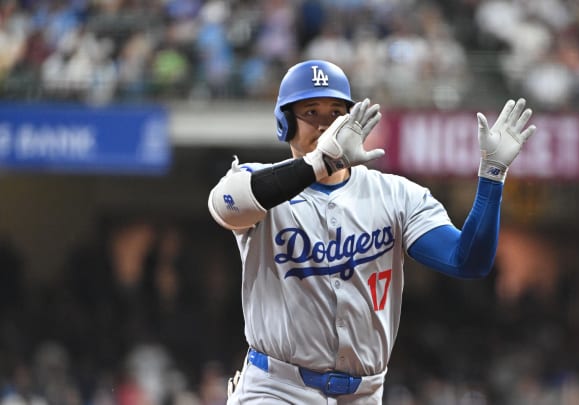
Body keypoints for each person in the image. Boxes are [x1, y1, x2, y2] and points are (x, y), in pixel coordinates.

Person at [208, 59, 536, 404]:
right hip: (277, 389)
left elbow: (468, 261)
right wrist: (322, 162)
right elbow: (225, 206)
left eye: (336, 113)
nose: (325, 125)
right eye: (310, 113)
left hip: (364, 394)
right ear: (284, 122)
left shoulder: (395, 194)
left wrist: (492, 176)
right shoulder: (258, 182)